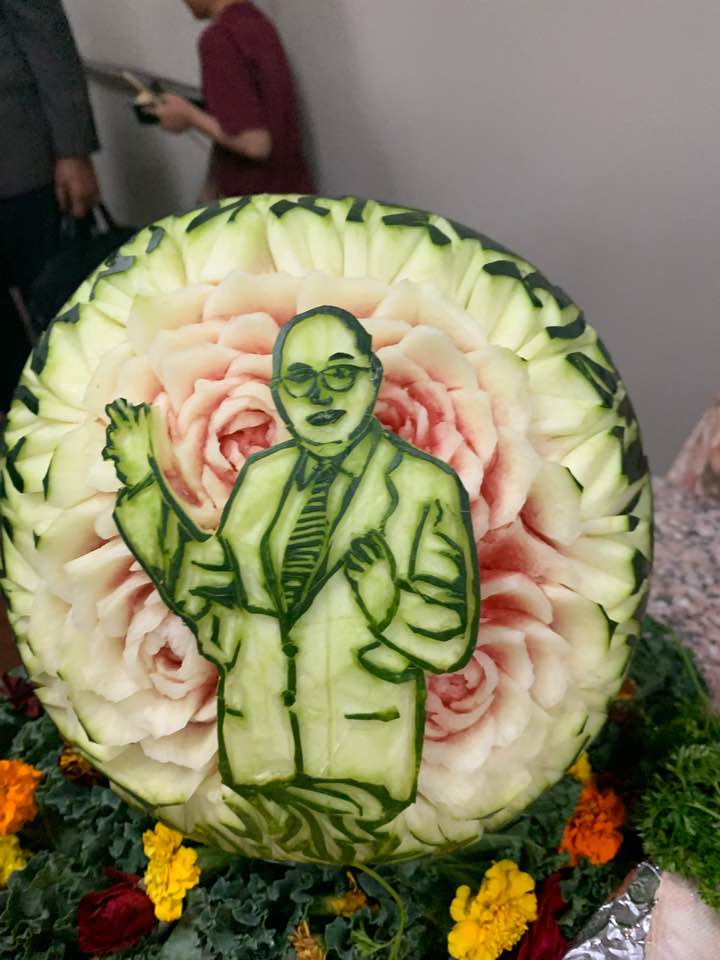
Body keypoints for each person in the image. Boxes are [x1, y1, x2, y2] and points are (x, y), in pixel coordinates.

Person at [104, 307, 479, 823]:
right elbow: (204, 588)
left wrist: (384, 596)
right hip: (258, 762)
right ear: (279, 394)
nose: (320, 396)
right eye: (301, 380)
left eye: (339, 374)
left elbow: (450, 639)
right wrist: (143, 484)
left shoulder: (423, 487)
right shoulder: (263, 477)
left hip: (362, 771)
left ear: (372, 379)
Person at [0, 0, 100, 408]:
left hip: (19, 161)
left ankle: (92, 416)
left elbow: (47, 37)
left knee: (62, 308)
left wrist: (73, 150)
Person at [150, 0, 313, 198]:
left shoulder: (219, 39)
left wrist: (189, 115)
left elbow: (255, 144)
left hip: (256, 205)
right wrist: (210, 190)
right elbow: (235, 122)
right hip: (294, 197)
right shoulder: (257, 22)